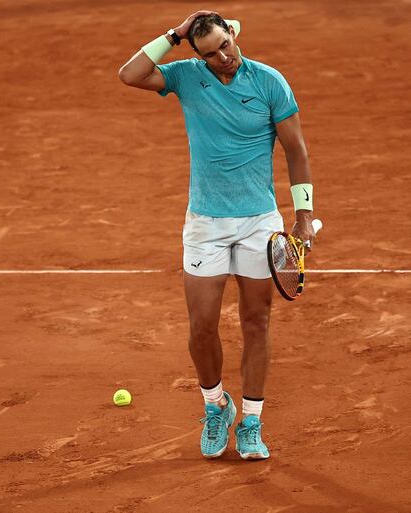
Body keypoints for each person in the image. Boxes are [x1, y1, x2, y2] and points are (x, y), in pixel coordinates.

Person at [118, 11, 316, 460]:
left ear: (234, 35)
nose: (223, 57)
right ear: (198, 54)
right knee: (202, 327)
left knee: (256, 322)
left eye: (226, 45)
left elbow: (296, 150)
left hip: (258, 223)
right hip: (205, 224)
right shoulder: (186, 76)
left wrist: (303, 216)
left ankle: (251, 421)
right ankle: (216, 406)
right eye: (210, 53)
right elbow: (130, 75)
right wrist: (174, 34)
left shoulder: (269, 82)